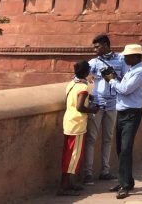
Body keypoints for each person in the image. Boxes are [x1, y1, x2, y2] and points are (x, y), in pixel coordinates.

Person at [106, 44, 142, 200]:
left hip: (132, 113)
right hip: (123, 112)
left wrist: (111, 81)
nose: (124, 58)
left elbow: (125, 89)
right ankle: (126, 181)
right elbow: (123, 87)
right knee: (120, 148)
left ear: (136, 57)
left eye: (127, 56)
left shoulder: (140, 72)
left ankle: (124, 185)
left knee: (125, 149)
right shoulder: (132, 70)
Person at [84, 34, 126, 185]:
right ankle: (88, 173)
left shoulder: (120, 59)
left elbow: (126, 79)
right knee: (91, 139)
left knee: (108, 139)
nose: (95, 49)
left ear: (106, 45)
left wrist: (114, 78)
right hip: (96, 104)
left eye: (97, 46)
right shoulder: (94, 62)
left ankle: (105, 171)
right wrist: (88, 77)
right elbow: (82, 74)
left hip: (113, 104)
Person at [59, 60, 98, 196]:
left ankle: (68, 183)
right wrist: (92, 110)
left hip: (69, 120)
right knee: (73, 156)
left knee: (68, 153)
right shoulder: (83, 87)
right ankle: (64, 186)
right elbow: (80, 107)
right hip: (77, 123)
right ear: (86, 72)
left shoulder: (72, 84)